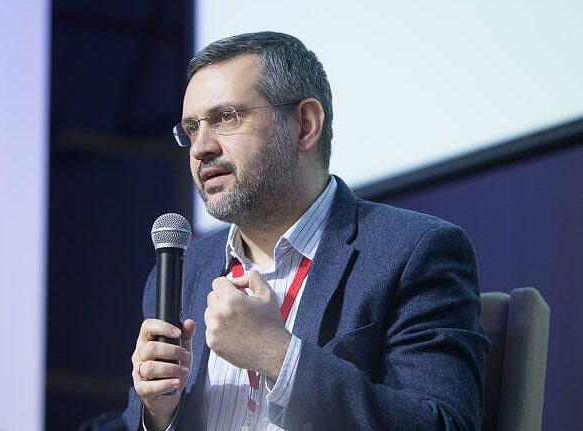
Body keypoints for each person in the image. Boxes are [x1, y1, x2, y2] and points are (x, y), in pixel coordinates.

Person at [121, 31, 489, 430]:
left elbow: (444, 424)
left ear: (305, 125)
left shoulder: (414, 252)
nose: (200, 148)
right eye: (192, 128)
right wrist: (157, 415)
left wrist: (278, 356)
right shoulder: (182, 272)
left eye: (226, 118)